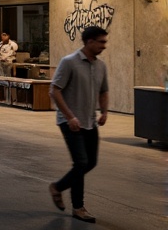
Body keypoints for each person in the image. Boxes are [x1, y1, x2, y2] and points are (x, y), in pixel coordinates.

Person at [47, 25, 109, 224]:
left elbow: (103, 91)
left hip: (90, 121)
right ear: (89, 41)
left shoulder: (101, 66)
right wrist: (70, 116)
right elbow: (54, 90)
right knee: (81, 163)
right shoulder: (69, 62)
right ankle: (77, 206)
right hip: (70, 122)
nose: (104, 46)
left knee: (90, 163)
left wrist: (104, 111)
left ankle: (59, 188)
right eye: (101, 42)